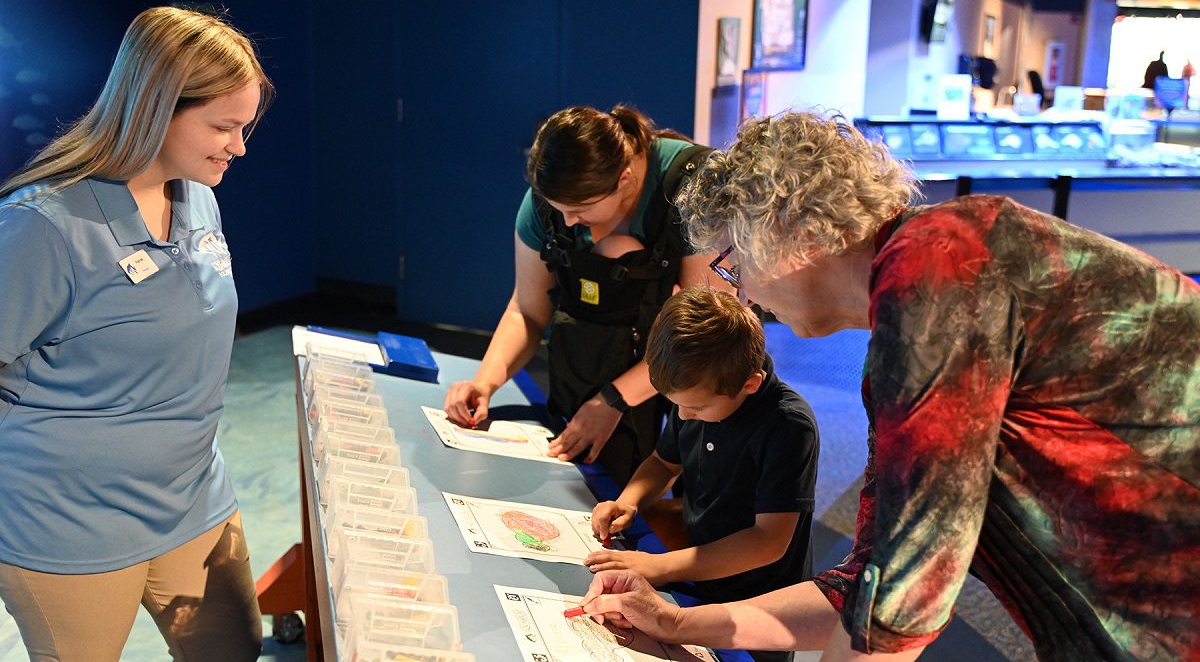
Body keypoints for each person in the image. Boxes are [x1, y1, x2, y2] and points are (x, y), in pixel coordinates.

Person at [577, 110, 1200, 661]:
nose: (740, 292)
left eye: (734, 262)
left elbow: (901, 606)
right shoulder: (908, 318)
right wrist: (679, 621)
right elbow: (870, 582)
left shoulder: (940, 273)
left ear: (793, 237)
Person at [0, 6, 273, 662]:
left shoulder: (198, 194)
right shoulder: (44, 226)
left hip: (191, 498)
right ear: (157, 109)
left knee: (235, 650)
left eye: (244, 126)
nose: (238, 147)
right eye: (223, 127)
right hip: (70, 527)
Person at [442, 104, 725, 485]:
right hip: (584, 369)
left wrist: (613, 400)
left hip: (692, 379)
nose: (569, 222)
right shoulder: (551, 200)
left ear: (625, 179)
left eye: (580, 211)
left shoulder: (693, 190)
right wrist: (485, 382)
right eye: (560, 211)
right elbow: (527, 310)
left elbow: (705, 336)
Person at [587, 286, 818, 662]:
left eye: (693, 408)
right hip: (696, 578)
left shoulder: (788, 426)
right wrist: (628, 501)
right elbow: (663, 464)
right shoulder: (699, 394)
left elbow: (768, 542)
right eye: (675, 405)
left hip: (756, 608)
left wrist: (659, 566)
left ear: (749, 385)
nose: (682, 417)